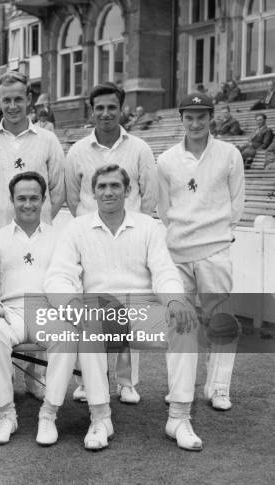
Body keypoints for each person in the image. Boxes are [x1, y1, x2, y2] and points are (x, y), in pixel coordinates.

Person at [39, 164, 203, 452]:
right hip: (99, 310)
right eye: (102, 186)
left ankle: (179, 418)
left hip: (142, 310)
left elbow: (164, 271)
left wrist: (176, 299)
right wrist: (72, 304)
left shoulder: (148, 226)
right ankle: (101, 418)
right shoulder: (77, 228)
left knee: (184, 324)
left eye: (115, 185)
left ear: (127, 190)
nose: (108, 191)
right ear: (93, 191)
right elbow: (58, 276)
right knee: (88, 322)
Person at [64, 82, 158, 402]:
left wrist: (135, 231)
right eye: (99, 108)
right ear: (92, 111)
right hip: (91, 240)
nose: (105, 113)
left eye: (111, 107)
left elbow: (150, 194)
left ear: (122, 109)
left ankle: (126, 381)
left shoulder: (140, 149)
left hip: (129, 238)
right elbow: (73, 198)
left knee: (127, 307)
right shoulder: (77, 151)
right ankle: (88, 379)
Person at [157, 92, 244, 412]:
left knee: (220, 320)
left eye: (202, 116)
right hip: (177, 251)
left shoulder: (229, 154)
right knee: (180, 322)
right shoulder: (166, 159)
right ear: (181, 119)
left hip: (215, 250)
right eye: (189, 117)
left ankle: (218, 387)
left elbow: (237, 204)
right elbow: (163, 208)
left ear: (211, 118)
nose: (196, 123)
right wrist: (182, 235)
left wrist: (215, 236)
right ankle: (181, 388)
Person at [0, 171, 57, 445]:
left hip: (47, 311)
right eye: (21, 198)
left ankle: (49, 415)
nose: (28, 204)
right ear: (12, 200)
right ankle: (6, 415)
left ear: (43, 200)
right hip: (8, 310)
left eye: (34, 198)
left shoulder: (59, 237)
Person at [0, 71, 65, 232]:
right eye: (6, 100)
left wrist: (39, 220)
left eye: (18, 99)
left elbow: (58, 191)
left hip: (37, 235)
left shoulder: (48, 140)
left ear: (29, 99)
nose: (13, 106)